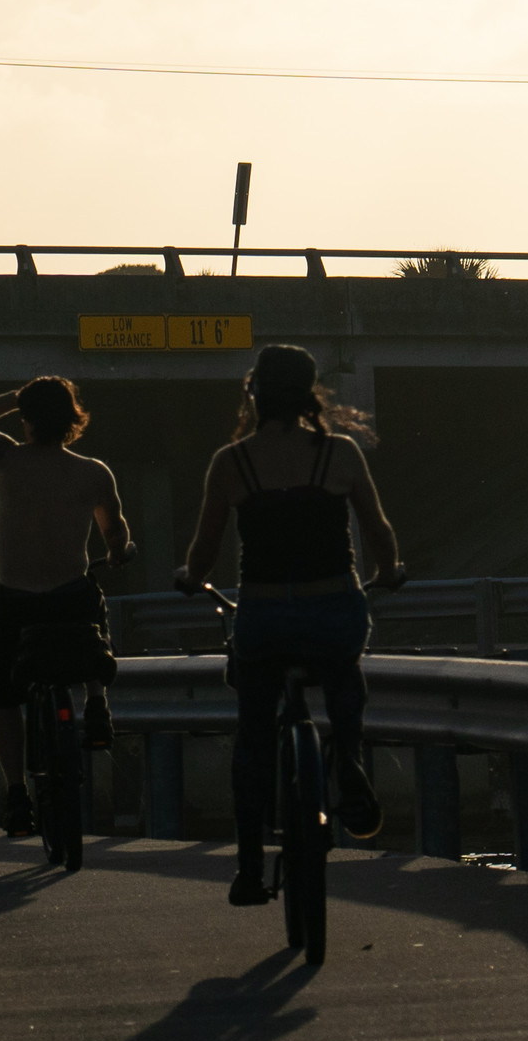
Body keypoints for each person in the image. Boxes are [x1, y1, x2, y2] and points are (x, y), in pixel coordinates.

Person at [173, 344, 406, 905]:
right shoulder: (340, 454)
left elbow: (205, 550)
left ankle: (250, 870)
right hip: (333, 609)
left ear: (254, 394)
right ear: (309, 395)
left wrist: (189, 576)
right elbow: (378, 531)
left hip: (264, 614)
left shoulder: (232, 462)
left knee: (254, 734)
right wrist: (388, 571)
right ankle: (348, 759)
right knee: (344, 673)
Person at [0, 377, 130, 836]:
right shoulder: (93, 472)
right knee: (92, 605)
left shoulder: (6, 458)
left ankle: (17, 794)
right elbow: (114, 532)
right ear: (72, 419)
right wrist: (117, 552)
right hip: (68, 598)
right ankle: (96, 702)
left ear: (27, 418)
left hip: (16, 601)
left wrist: (16, 397)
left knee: (1, 693)